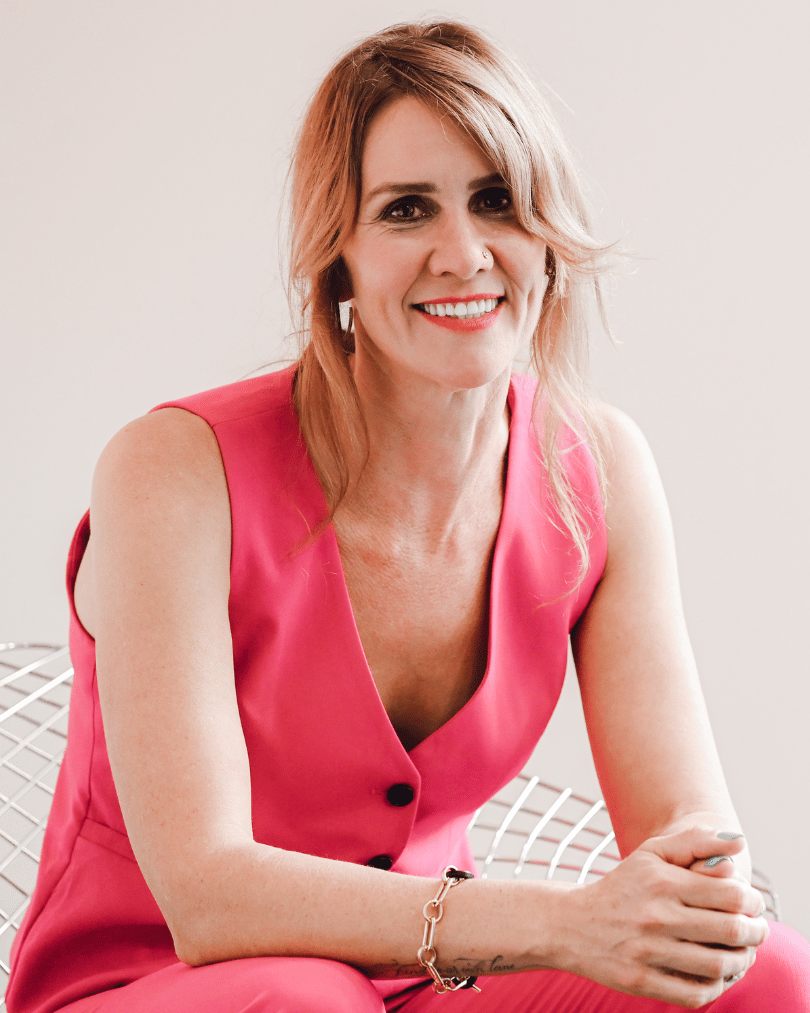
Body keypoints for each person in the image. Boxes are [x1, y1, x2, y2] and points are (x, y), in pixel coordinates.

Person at [7, 19, 810, 1013]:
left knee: (769, 974)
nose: (463, 253)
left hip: (423, 985)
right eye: (405, 209)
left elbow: (686, 829)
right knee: (307, 1002)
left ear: (546, 233)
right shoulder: (174, 469)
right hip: (156, 980)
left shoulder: (598, 467)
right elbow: (207, 894)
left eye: (497, 200)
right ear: (338, 251)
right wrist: (564, 921)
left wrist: (702, 898)